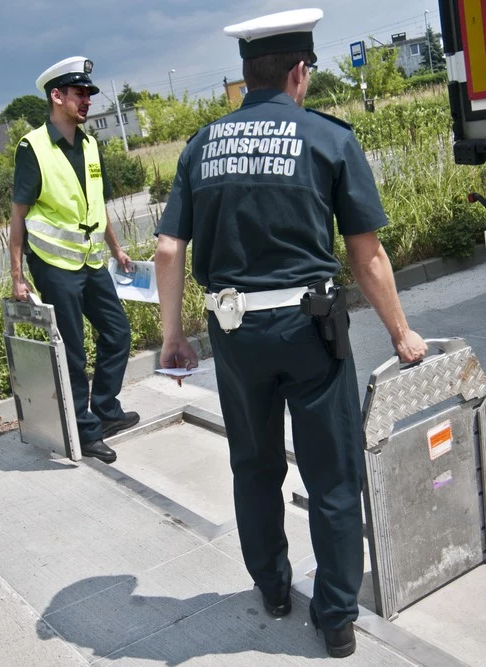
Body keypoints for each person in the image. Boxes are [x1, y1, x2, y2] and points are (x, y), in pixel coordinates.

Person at [154, 9, 427, 659]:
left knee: (254, 465)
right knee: (332, 475)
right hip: (311, 331)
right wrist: (401, 332)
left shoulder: (201, 146)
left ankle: (273, 588)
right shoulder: (329, 139)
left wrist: (172, 337)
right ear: (300, 72)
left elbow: (168, 251)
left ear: (247, 76)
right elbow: (368, 257)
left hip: (234, 333)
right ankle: (334, 617)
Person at [9, 56, 139, 464]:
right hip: (54, 264)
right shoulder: (33, 148)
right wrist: (17, 275)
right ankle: (84, 432)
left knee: (117, 332)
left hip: (91, 260)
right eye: (79, 94)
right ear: (57, 96)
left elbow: (96, 204)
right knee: (74, 350)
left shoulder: (89, 143)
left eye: (88, 94)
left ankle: (104, 409)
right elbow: (17, 217)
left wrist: (116, 247)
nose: (87, 101)